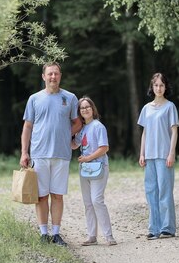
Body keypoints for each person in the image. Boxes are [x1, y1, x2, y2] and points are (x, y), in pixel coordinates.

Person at [20, 62, 82, 246]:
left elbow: (77, 123)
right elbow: (28, 126)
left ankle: (56, 233)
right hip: (39, 154)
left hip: (61, 154)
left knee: (57, 195)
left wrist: (66, 135)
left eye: (56, 74)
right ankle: (43, 233)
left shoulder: (70, 98)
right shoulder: (34, 99)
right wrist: (24, 152)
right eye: (50, 74)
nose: (53, 77)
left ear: (60, 76)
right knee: (40, 196)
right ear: (43, 76)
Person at [138, 72, 179, 240]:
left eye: (161, 85)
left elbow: (174, 131)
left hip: (164, 155)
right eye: (156, 85)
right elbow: (145, 133)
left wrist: (171, 153)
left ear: (165, 87)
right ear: (152, 87)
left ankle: (167, 228)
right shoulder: (146, 108)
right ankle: (154, 228)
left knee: (165, 191)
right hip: (149, 156)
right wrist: (142, 153)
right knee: (151, 191)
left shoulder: (170, 107)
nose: (159, 88)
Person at [71, 96, 117, 246]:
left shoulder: (98, 126)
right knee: (88, 202)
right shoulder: (82, 129)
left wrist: (88, 158)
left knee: (97, 200)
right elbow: (74, 145)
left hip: (99, 166)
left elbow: (104, 148)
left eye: (87, 107)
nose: (85, 110)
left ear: (93, 109)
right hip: (85, 169)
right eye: (82, 108)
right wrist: (67, 132)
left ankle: (109, 236)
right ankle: (92, 236)